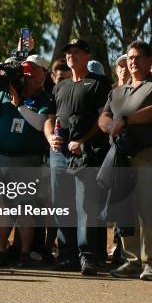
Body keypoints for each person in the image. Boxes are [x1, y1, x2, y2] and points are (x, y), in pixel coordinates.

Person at [44, 38, 111, 275]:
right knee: (62, 205)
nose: (70, 55)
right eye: (68, 52)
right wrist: (50, 136)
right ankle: (67, 255)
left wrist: (82, 141)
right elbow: (50, 118)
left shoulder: (99, 84)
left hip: (86, 154)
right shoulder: (60, 86)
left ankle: (88, 257)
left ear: (86, 55)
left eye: (75, 52)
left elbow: (103, 119)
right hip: (59, 154)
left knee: (85, 206)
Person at [0, 55, 54, 267]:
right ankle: (1, 250)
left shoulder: (44, 98)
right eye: (25, 72)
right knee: (0, 208)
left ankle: (24, 252)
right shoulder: (4, 93)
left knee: (23, 208)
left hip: (26, 160)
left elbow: (40, 125)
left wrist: (19, 104)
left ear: (43, 75)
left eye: (33, 72)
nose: (27, 76)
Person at [99, 41, 152, 281]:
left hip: (147, 154)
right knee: (125, 207)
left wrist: (125, 120)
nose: (132, 61)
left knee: (149, 208)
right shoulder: (117, 91)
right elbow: (104, 116)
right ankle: (132, 260)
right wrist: (109, 126)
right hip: (120, 155)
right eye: (129, 57)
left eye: (138, 57)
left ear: (149, 60)